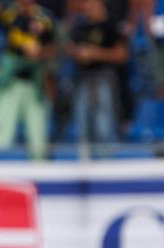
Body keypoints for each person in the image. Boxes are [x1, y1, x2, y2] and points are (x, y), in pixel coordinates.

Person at [0, 0, 56, 159]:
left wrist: (40, 53)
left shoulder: (45, 18)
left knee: (37, 140)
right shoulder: (8, 14)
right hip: (10, 83)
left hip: (35, 84)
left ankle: (40, 177)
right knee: (2, 136)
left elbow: (53, 50)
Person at [66, 0, 128, 143]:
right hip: (83, 79)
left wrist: (95, 53)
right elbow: (70, 48)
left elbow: (122, 54)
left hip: (104, 78)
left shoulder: (111, 26)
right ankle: (83, 160)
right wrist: (77, 53)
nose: (88, 7)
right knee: (81, 124)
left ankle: (106, 160)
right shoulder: (81, 28)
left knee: (104, 125)